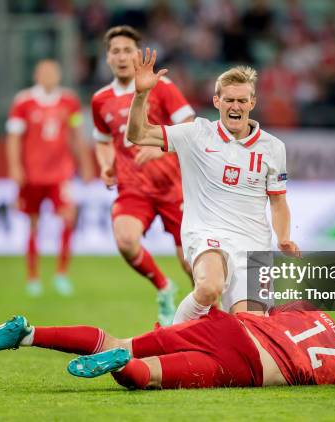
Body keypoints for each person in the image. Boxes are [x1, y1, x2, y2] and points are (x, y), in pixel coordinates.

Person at [125, 49, 301, 322]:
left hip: (254, 247)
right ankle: (170, 341)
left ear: (252, 102)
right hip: (207, 234)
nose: (235, 106)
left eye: (242, 100)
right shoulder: (196, 133)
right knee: (209, 288)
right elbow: (137, 134)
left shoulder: (273, 147)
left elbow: (278, 202)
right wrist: (140, 95)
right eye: (229, 99)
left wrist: (284, 237)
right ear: (217, 101)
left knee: (251, 329)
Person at [0, 307, 335, 389]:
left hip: (224, 326)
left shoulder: (308, 312)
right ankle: (120, 367)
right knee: (145, 376)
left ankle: (27, 333)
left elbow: (271, 309)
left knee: (120, 340)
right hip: (243, 365)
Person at [91, 26, 195, 326]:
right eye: (115, 51)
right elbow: (102, 139)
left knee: (191, 264)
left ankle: (207, 319)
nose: (121, 56)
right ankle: (164, 287)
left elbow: (190, 125)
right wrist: (106, 164)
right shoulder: (100, 99)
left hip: (174, 187)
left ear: (138, 54)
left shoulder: (161, 86)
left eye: (127, 50)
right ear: (107, 57)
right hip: (133, 188)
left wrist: (163, 147)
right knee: (125, 239)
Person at [6, 59, 91, 297]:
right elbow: (13, 138)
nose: (48, 76)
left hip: (60, 174)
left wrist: (85, 164)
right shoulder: (23, 102)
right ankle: (33, 277)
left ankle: (61, 274)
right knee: (33, 224)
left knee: (68, 218)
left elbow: (76, 134)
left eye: (52, 72)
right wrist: (15, 168)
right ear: (36, 75)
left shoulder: (69, 102)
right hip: (32, 174)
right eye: (44, 72)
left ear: (59, 75)